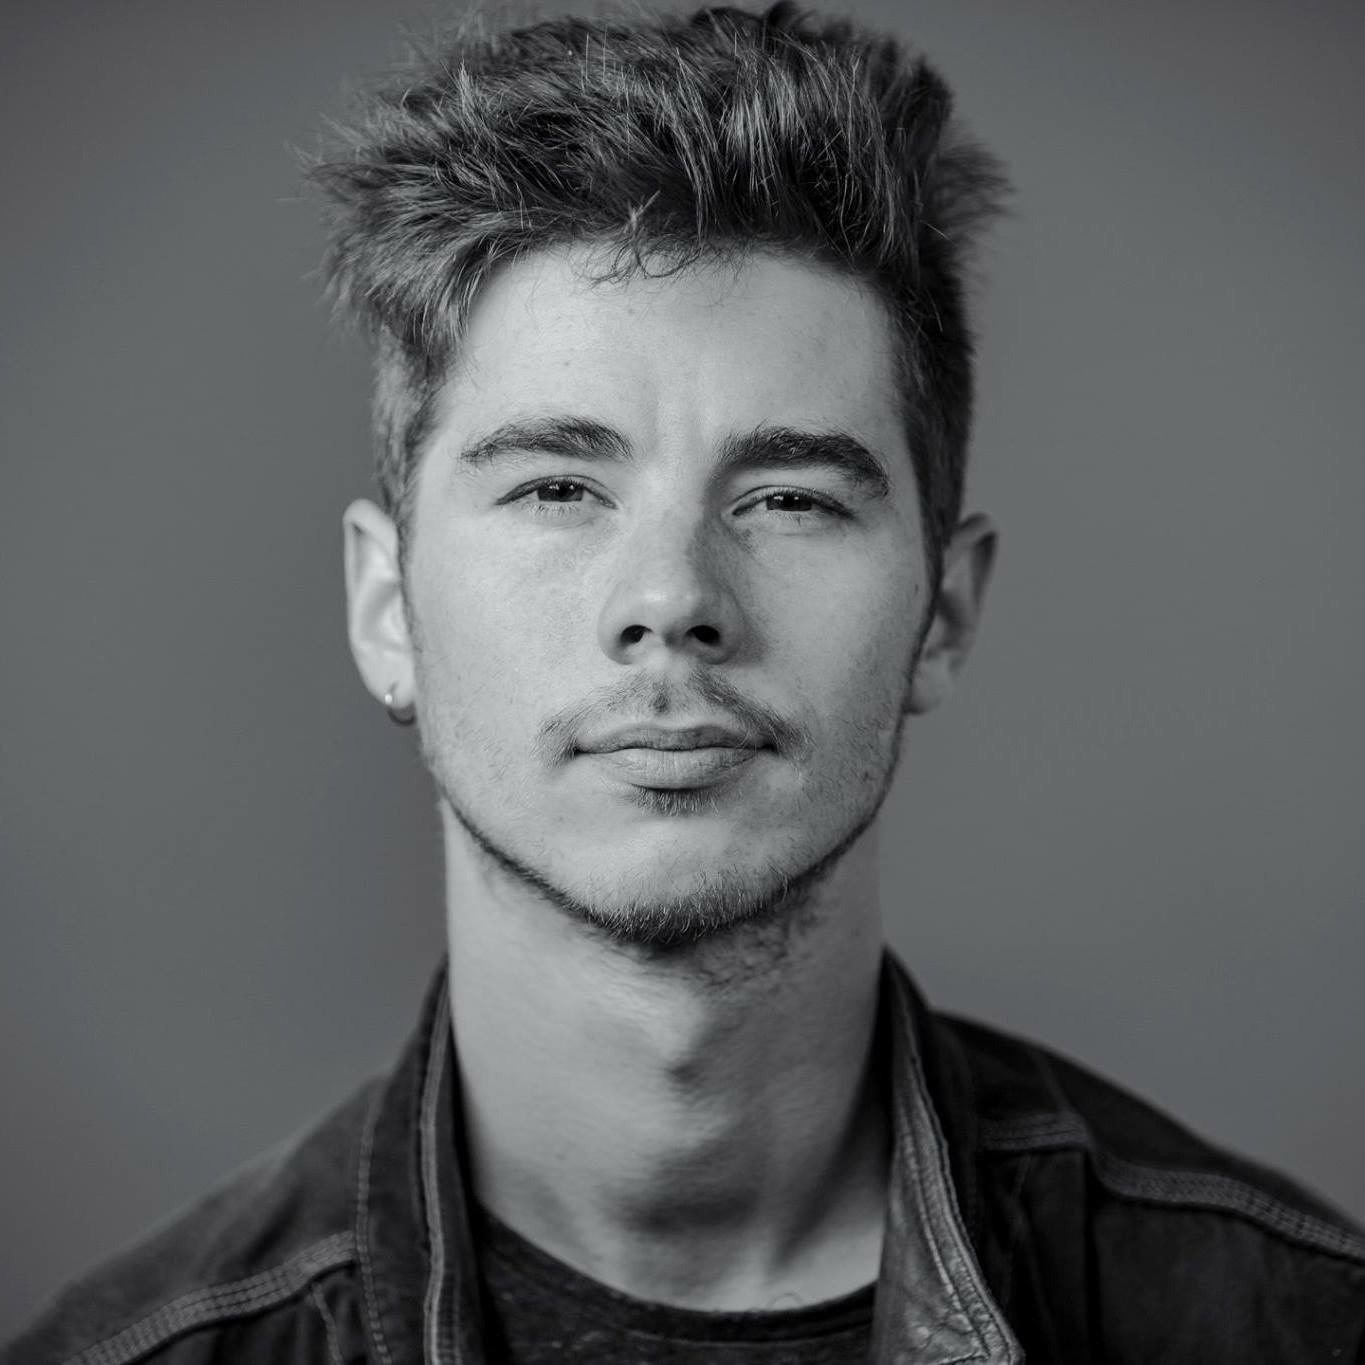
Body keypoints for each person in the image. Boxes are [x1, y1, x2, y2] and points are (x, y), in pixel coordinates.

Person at [7, 4, 1363, 1362]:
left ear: (943, 611)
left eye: (788, 499)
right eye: (556, 488)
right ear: (386, 606)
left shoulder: (1293, 1327)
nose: (670, 599)